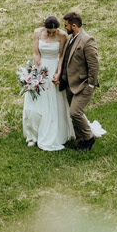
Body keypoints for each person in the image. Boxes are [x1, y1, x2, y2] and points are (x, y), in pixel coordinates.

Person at [22, 15, 73, 151]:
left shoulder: (62, 36)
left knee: (52, 101)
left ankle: (53, 132)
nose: (52, 34)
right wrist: (36, 70)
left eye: (54, 32)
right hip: (40, 68)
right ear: (44, 28)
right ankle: (33, 134)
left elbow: (61, 56)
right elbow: (36, 52)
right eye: (49, 32)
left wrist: (58, 72)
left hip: (53, 68)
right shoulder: (37, 33)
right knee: (35, 102)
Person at [58, 10, 101, 151]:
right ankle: (80, 142)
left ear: (74, 25)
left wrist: (90, 84)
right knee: (73, 115)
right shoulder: (71, 38)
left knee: (75, 113)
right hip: (71, 84)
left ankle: (88, 138)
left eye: (66, 25)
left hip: (83, 85)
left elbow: (94, 65)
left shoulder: (87, 40)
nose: (65, 28)